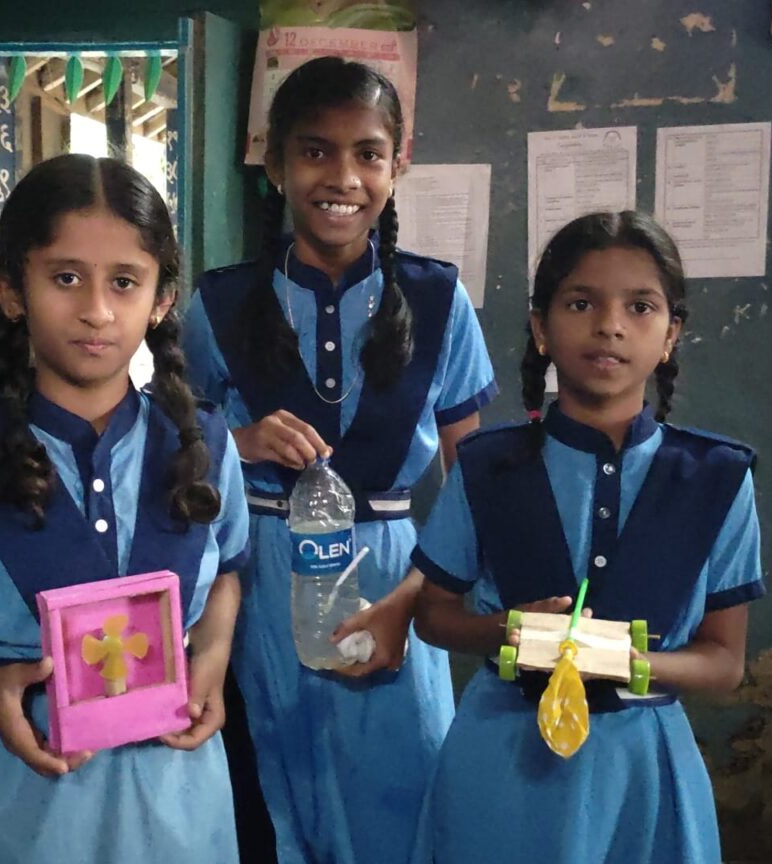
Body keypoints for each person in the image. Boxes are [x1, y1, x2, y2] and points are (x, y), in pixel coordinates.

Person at [0, 154, 250, 863]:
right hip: (25, 804)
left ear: (160, 300)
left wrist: (213, 654)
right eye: (65, 278)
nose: (97, 310)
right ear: (12, 289)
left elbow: (227, 571)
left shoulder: (205, 446)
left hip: (182, 805)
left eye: (125, 282)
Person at [182, 56, 497, 864]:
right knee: (263, 795)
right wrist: (234, 444)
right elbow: (170, 465)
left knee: (404, 797)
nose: (342, 176)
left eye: (368, 153)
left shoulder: (437, 301)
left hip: (393, 578)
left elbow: (475, 491)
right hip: (251, 578)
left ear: (401, 160)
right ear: (276, 161)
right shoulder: (217, 304)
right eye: (316, 151)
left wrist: (420, 598)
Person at [410, 210, 764, 863]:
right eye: (581, 303)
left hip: (639, 764)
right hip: (503, 754)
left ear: (670, 336)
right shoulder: (487, 466)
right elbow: (433, 615)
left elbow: (724, 661)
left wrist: (628, 664)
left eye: (640, 307)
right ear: (542, 328)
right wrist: (507, 629)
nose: (610, 324)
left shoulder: (717, 479)